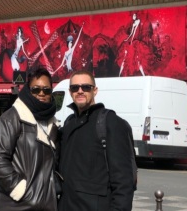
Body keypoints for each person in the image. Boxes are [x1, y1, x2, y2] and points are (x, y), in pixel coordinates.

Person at [58, 69, 135, 211]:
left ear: (95, 90)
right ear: (70, 92)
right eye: (75, 88)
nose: (80, 91)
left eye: (86, 87)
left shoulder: (110, 122)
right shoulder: (69, 123)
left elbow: (123, 182)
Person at [0, 67, 59, 211]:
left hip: (44, 204)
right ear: (28, 90)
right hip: (16, 204)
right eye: (36, 89)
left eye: (46, 90)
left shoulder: (53, 123)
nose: (41, 94)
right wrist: (20, 189)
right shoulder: (11, 118)